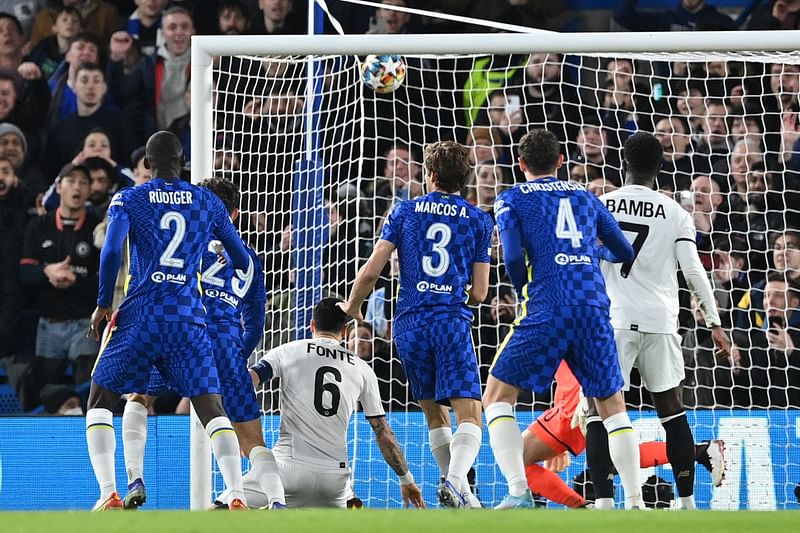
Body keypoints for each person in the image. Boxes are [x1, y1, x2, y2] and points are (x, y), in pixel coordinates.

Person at [85, 131, 251, 510]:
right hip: (188, 319)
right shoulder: (207, 201)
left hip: (141, 315)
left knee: (100, 400)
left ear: (146, 163)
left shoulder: (129, 198)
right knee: (211, 408)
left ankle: (109, 491)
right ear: (182, 162)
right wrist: (221, 254)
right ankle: (237, 492)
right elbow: (241, 259)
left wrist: (102, 304)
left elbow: (111, 252)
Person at [482, 129, 642, 510]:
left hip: (548, 305)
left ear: (520, 165)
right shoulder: (586, 196)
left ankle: (519, 491)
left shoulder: (512, 199)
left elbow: (514, 260)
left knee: (496, 395)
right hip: (592, 306)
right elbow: (622, 249)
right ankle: (635, 503)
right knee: (611, 406)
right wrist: (589, 256)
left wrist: (524, 283)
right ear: (560, 160)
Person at [340, 140, 493, 508]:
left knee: (434, 413)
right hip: (449, 320)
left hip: (409, 323)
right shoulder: (478, 219)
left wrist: (353, 306)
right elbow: (483, 292)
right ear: (463, 179)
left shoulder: (403, 212)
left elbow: (373, 267)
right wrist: (460, 296)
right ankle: (456, 482)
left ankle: (464, 497)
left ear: (431, 175)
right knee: (469, 410)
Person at [591, 131, 738, 509]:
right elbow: (693, 271)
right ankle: (688, 504)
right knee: (672, 408)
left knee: (600, 412)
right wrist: (714, 323)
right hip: (660, 320)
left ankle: (606, 503)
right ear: (660, 167)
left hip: (612, 320)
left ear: (623, 162)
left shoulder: (599, 205)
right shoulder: (676, 213)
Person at [120, 176, 286, 510]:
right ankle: (275, 502)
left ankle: (135, 477)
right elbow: (255, 318)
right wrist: (239, 354)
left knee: (139, 397)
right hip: (226, 343)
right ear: (235, 214)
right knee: (251, 438)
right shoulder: (249, 257)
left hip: (181, 334)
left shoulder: (184, 243)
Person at [218, 298, 424, 509]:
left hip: (286, 470)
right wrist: (406, 479)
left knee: (220, 510)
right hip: (334, 480)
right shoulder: (363, 369)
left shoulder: (288, 350)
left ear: (312, 325)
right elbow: (383, 434)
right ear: (344, 330)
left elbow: (243, 384)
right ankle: (346, 501)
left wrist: (237, 429)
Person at [520, 360, 726, 508]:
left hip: (577, 398)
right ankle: (699, 451)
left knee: (518, 457)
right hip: (580, 393)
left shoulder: (553, 309)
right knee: (614, 455)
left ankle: (581, 507)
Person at [19, 163, 101, 393]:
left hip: (85, 324)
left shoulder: (97, 228)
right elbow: (24, 273)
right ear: (59, 187)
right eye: (71, 181)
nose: (77, 187)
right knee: (46, 390)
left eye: (83, 183)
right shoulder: (38, 225)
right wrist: (47, 272)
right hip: (48, 324)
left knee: (89, 389)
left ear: (88, 191)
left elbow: (104, 283)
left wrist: (74, 279)